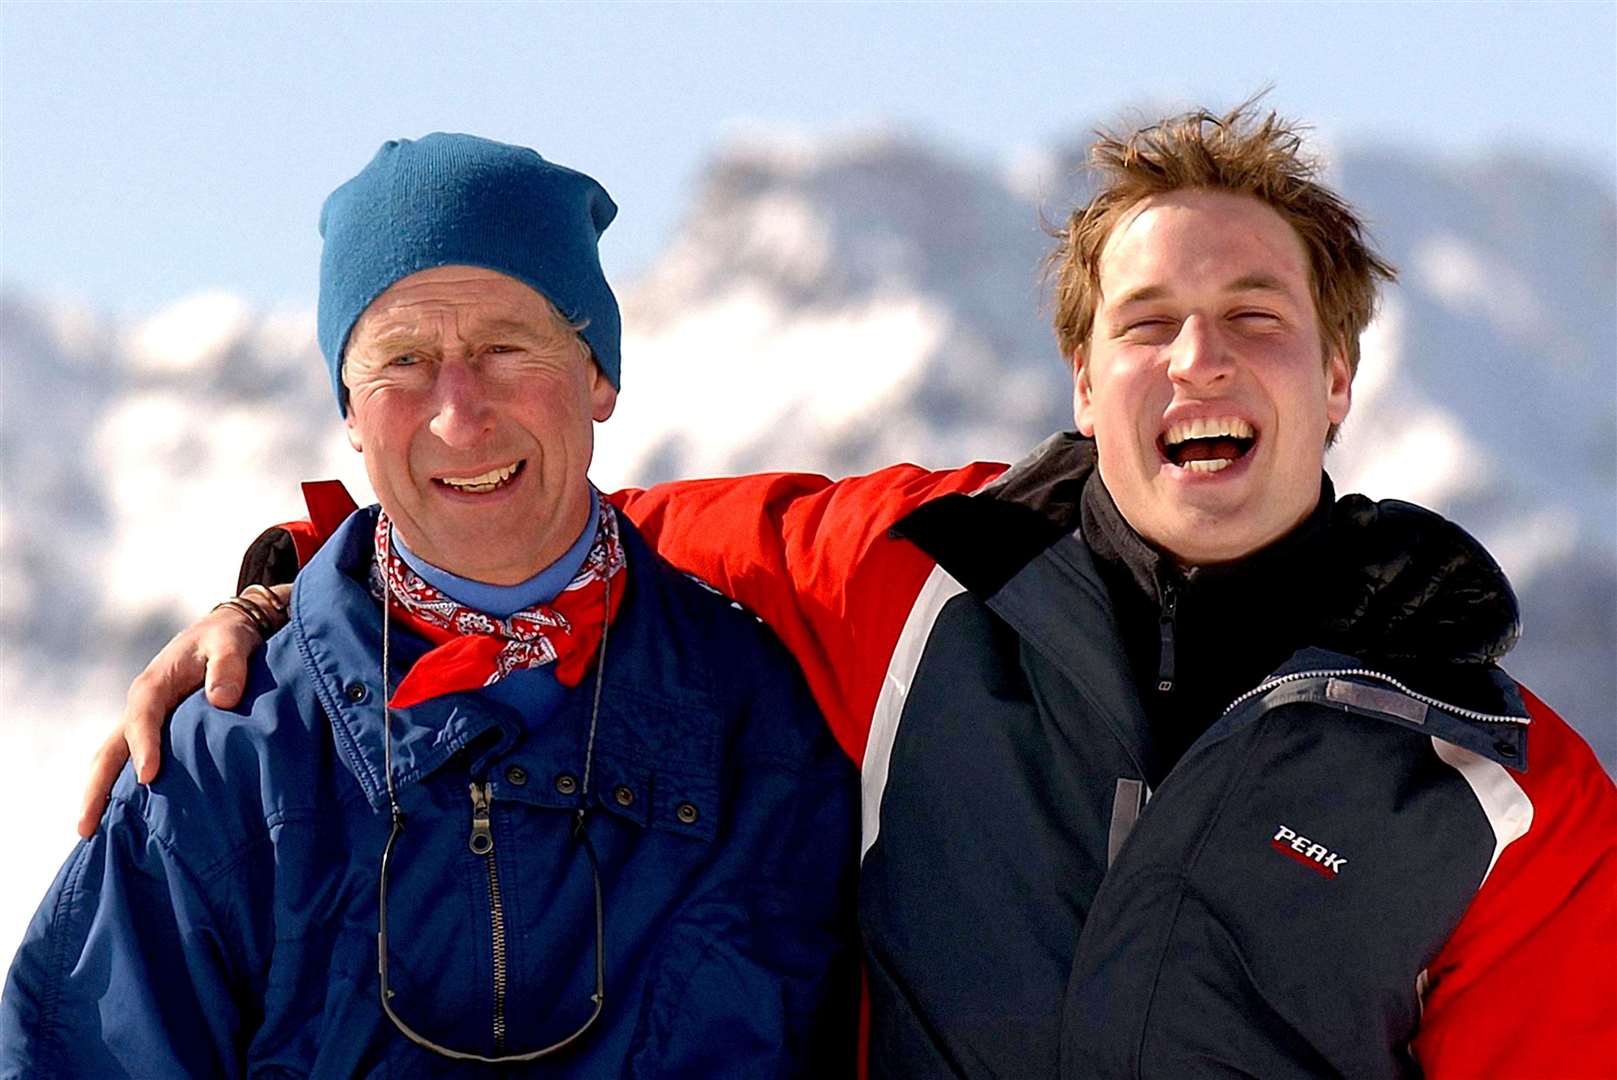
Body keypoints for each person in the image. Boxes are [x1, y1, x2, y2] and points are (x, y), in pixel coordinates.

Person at [70, 105, 1617, 1077]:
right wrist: (284, 592)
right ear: (1081, 381)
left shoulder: (1508, 795)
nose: (1196, 359)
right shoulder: (901, 580)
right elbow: (525, 518)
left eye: (1253, 317)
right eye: (1146, 322)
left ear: (1337, 376)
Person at [3, 133, 860, 1077]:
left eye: (505, 347)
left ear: (597, 377)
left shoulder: (772, 723)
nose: (458, 411)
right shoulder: (223, 766)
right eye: (402, 362)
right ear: (349, 412)